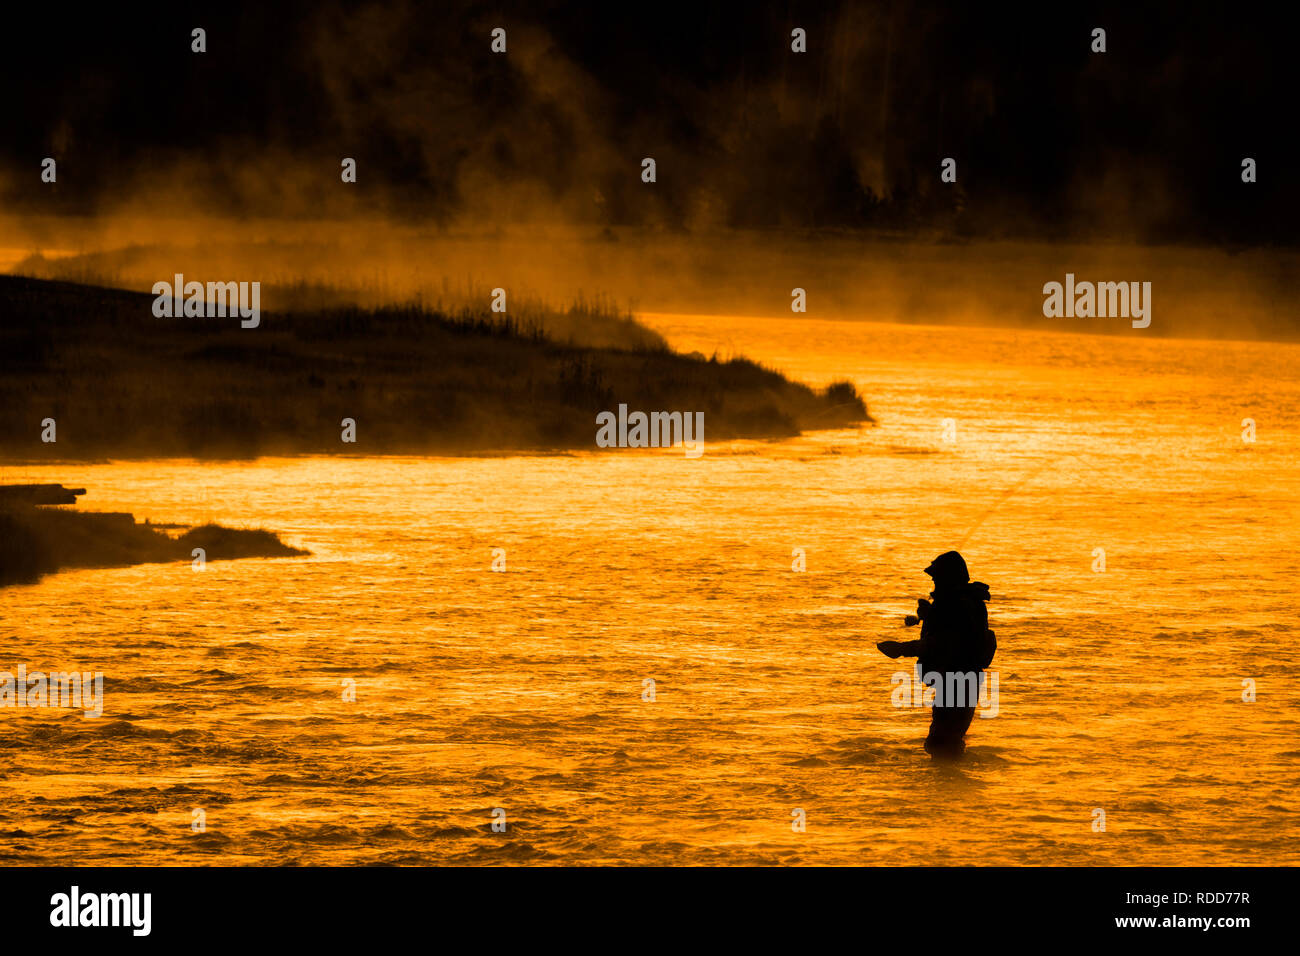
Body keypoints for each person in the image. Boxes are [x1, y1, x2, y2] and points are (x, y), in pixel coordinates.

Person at [877, 551, 996, 758]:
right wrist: (929, 616)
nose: (934, 583)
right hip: (965, 679)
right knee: (947, 741)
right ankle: (953, 784)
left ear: (948, 578)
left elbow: (942, 643)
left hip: (956, 681)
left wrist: (901, 650)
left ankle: (949, 785)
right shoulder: (967, 601)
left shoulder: (952, 604)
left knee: (941, 743)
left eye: (937, 578)